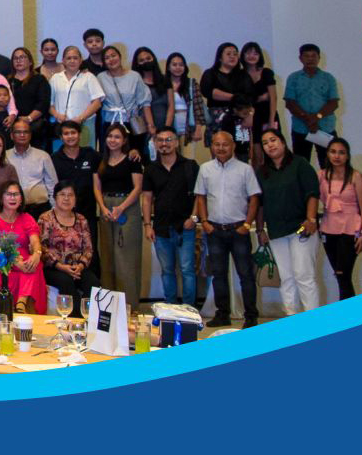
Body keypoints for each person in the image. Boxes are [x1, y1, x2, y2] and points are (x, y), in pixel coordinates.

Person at [196, 129, 262, 326]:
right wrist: (205, 222)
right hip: (215, 230)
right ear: (212, 146)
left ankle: (251, 316)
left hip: (238, 230)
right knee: (218, 275)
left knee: (246, 275)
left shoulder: (245, 169)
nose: (221, 148)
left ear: (233, 146)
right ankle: (222, 314)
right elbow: (200, 197)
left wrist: (247, 224)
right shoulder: (205, 169)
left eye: (225, 144)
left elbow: (254, 198)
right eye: (217, 144)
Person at [255, 129, 321, 315]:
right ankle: (291, 318)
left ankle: (314, 322)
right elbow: (259, 203)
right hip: (276, 231)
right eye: (265, 143)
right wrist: (260, 230)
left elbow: (312, 193)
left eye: (273, 140)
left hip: (301, 229)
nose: (270, 145)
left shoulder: (300, 164)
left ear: (283, 142)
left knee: (304, 276)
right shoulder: (262, 172)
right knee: (286, 278)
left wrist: (311, 219)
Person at [141, 128, 201, 306]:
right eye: (160, 140)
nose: (164, 144)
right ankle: (171, 308)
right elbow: (147, 199)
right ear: (155, 143)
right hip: (161, 228)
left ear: (176, 142)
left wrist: (194, 218)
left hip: (185, 227)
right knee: (167, 271)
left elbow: (200, 195)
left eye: (168, 140)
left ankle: (190, 310)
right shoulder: (151, 169)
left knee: (187, 270)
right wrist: (147, 225)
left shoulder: (190, 166)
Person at [93, 123, 145, 301]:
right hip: (106, 207)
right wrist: (103, 207)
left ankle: (129, 305)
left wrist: (121, 207)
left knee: (126, 258)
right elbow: (97, 187)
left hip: (127, 207)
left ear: (124, 140)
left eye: (117, 137)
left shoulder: (132, 159)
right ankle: (109, 304)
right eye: (110, 136)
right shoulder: (100, 160)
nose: (112, 140)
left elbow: (138, 188)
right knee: (107, 256)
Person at [316, 138, 362, 304]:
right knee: (340, 276)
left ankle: (347, 315)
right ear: (327, 154)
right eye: (333, 152)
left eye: (341, 153)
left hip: (351, 228)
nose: (337, 156)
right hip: (328, 228)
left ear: (347, 156)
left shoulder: (356, 176)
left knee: (343, 274)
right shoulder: (321, 175)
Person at [0, 182, 45, 313]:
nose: (13, 198)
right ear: (1, 198)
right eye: (9, 194)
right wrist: (17, 263)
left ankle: (20, 304)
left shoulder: (27, 218)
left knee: (36, 264)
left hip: (26, 261)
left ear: (21, 198)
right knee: (29, 269)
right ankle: (21, 304)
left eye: (16, 194)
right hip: (3, 262)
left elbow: (35, 240)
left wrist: (37, 253)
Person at [39, 183, 94, 317]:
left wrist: (80, 266)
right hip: (54, 268)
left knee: (93, 283)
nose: (66, 198)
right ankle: (76, 321)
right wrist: (61, 267)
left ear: (75, 199)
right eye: (62, 194)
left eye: (70, 195)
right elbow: (42, 248)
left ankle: (91, 320)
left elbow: (88, 249)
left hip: (77, 268)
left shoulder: (81, 220)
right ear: (55, 197)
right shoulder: (46, 218)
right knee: (66, 282)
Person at [284, 44, 340, 168]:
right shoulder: (293, 78)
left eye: (313, 56)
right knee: (301, 165)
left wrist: (316, 117)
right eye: (306, 56)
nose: (310, 59)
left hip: (324, 128)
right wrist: (308, 120)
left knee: (329, 164)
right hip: (301, 128)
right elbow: (290, 103)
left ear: (319, 58)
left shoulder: (328, 78)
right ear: (300, 58)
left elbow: (333, 103)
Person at [48, 46, 104, 151]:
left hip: (84, 124)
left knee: (85, 156)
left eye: (75, 58)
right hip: (61, 125)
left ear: (81, 60)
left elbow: (97, 102)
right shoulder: (55, 78)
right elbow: (49, 103)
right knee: (60, 156)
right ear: (63, 60)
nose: (72, 61)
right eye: (69, 58)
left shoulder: (89, 77)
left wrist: (81, 118)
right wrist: (57, 115)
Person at [97, 46, 151, 146]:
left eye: (113, 55)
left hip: (132, 123)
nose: (111, 59)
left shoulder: (134, 76)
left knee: (134, 152)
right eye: (107, 58)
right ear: (104, 62)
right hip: (110, 123)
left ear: (120, 56)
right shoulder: (101, 77)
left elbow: (144, 103)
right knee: (111, 153)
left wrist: (150, 125)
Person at [4, 119, 57, 216]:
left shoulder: (43, 156)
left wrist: (54, 210)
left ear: (30, 135)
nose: (22, 135)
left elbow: (52, 185)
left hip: (41, 209)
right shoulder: (5, 157)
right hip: (14, 209)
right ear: (11, 135)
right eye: (18, 132)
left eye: (26, 132)